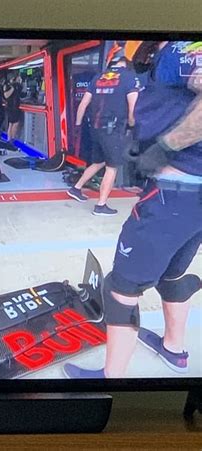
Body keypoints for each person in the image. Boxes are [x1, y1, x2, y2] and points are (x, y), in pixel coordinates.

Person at [64, 40, 202, 379]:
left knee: (121, 287)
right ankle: (174, 349)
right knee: (173, 274)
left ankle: (110, 379)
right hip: (192, 193)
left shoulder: (179, 49)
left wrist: (164, 146)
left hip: (174, 191)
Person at [66, 46, 140, 216]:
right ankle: (101, 205)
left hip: (96, 128)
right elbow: (133, 107)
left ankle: (76, 188)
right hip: (113, 130)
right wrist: (131, 125)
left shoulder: (97, 77)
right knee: (112, 167)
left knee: (99, 161)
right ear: (125, 63)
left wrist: (77, 125)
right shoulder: (130, 78)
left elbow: (83, 104)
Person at [4, 75, 22, 140]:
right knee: (13, 124)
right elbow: (6, 95)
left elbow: (22, 94)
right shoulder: (10, 86)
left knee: (12, 124)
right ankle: (11, 139)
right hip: (11, 107)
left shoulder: (18, 86)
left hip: (15, 107)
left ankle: (10, 140)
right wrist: (13, 88)